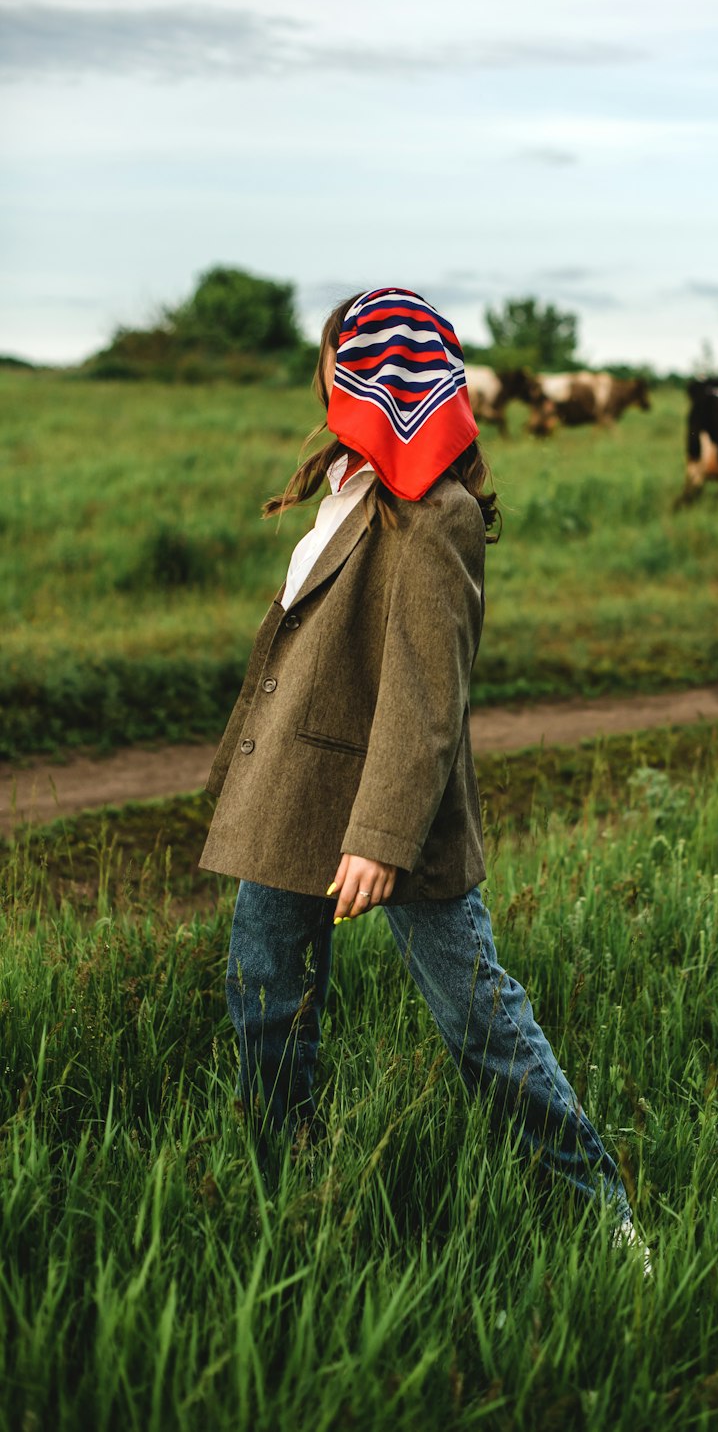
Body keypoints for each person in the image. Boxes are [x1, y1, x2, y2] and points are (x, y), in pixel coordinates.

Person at [200, 287, 638, 1241]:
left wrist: (381, 836)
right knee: (264, 994)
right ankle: (295, 1192)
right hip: (296, 789)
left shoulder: (436, 516)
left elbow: (425, 697)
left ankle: (603, 1216)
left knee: (477, 1019)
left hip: (396, 814)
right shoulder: (348, 488)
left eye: (329, 361)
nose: (322, 380)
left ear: (355, 373)